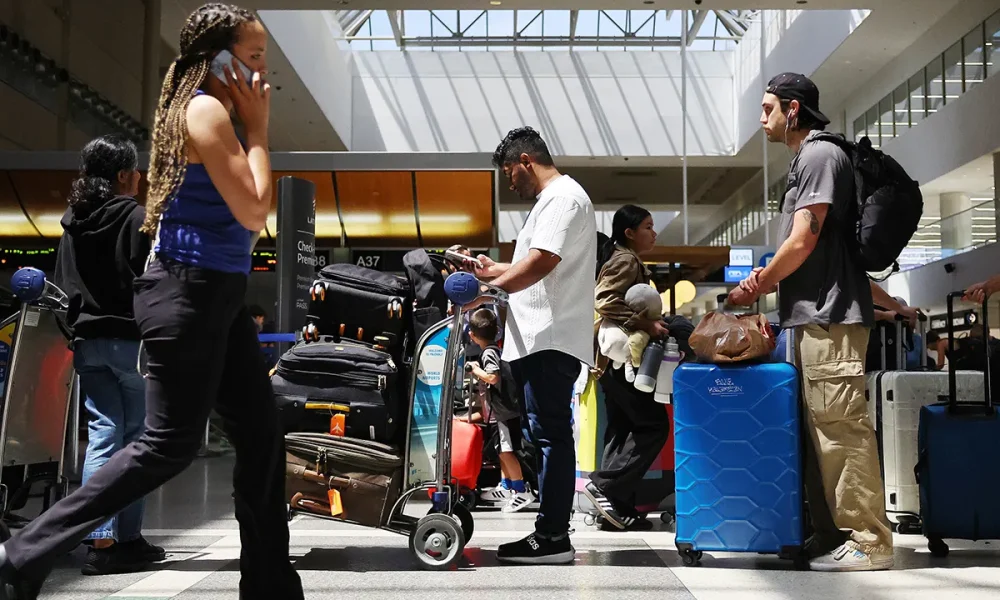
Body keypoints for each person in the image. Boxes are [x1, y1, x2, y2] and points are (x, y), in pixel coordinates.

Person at [0, 4, 304, 599]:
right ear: (219, 59)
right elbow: (255, 210)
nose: (265, 71)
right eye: (256, 55)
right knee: (168, 444)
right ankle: (20, 554)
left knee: (262, 432)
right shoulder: (207, 109)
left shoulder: (207, 109)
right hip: (187, 293)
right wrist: (263, 127)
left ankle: (269, 583)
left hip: (214, 295)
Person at [729, 72, 894, 572]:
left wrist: (757, 285)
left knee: (841, 429)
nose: (761, 119)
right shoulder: (808, 158)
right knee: (819, 430)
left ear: (793, 109)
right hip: (813, 320)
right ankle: (830, 534)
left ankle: (870, 540)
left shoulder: (821, 155)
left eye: (767, 109)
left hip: (829, 320)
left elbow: (803, 239)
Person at [468, 126, 596, 564]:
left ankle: (553, 537)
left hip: (551, 339)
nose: (510, 183)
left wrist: (488, 292)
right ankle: (549, 530)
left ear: (526, 161)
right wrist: (490, 271)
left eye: (509, 173)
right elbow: (532, 261)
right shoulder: (551, 202)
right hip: (539, 340)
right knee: (543, 435)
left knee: (551, 436)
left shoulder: (563, 197)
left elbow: (543, 263)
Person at [53, 135, 165, 576]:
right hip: (131, 343)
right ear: (122, 175)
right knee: (137, 442)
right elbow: (154, 279)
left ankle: (101, 539)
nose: (140, 177)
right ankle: (126, 540)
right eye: (135, 170)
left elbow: (62, 286)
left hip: (87, 344)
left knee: (104, 433)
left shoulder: (72, 223)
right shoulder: (137, 218)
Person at [584, 205, 668, 531]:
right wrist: (646, 323)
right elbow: (604, 299)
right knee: (652, 426)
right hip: (622, 361)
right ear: (629, 232)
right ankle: (604, 486)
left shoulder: (625, 259)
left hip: (607, 362)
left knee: (622, 431)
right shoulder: (626, 259)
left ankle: (612, 510)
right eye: (648, 226)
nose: (654, 232)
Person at [466, 309, 535, 512]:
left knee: (506, 451)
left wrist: (474, 369)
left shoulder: (489, 353)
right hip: (501, 412)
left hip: (503, 413)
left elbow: (493, 377)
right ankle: (507, 486)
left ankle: (521, 490)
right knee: (501, 450)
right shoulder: (495, 349)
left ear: (471, 334)